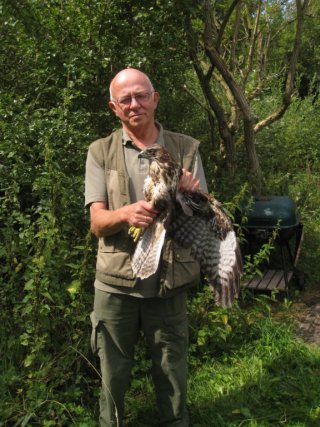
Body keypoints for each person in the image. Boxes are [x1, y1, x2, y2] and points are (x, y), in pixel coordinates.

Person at [85, 68, 208, 427]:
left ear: (155, 99)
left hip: (169, 281)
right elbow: (97, 223)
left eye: (141, 96)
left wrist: (191, 196)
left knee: (172, 371)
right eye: (126, 99)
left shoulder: (185, 149)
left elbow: (200, 220)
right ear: (114, 107)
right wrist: (124, 213)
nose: (135, 104)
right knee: (113, 373)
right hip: (116, 286)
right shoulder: (100, 152)